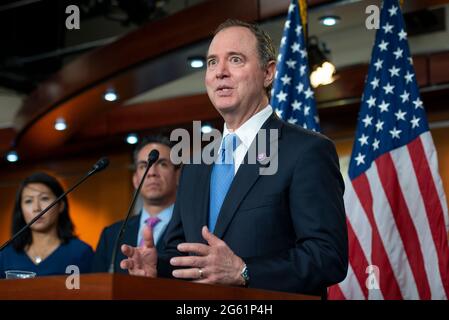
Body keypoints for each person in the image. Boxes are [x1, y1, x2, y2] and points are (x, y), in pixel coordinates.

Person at [120, 19, 348, 296]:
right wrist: (159, 269)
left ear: (268, 73)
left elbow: (327, 257)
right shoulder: (195, 165)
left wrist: (244, 271)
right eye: (212, 62)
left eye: (235, 60)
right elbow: (181, 252)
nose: (220, 72)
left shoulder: (306, 151)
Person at [92, 135, 181, 273]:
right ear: (135, 180)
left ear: (178, 176)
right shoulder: (111, 235)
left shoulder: (191, 230)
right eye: (144, 166)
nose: (152, 172)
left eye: (163, 164)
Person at [0, 172, 94, 278]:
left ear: (61, 206)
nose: (37, 208)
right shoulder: (5, 255)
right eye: (28, 201)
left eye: (44, 198)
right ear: (21, 210)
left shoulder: (80, 252)